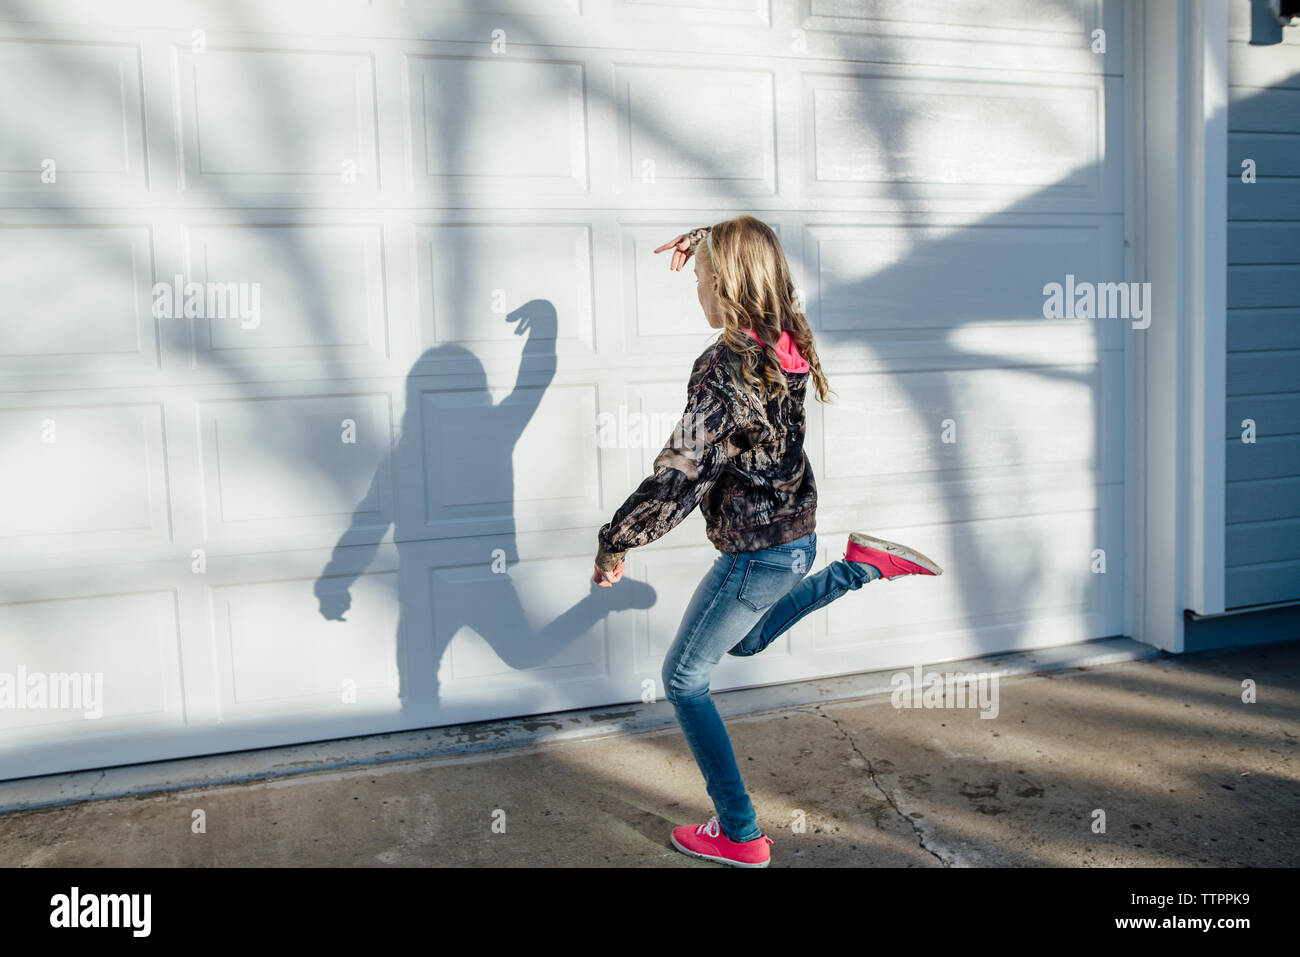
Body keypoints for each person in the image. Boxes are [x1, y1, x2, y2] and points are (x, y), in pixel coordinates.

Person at [590, 215, 943, 868]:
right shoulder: (784, 340)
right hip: (796, 543)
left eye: (699, 278)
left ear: (722, 281)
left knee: (683, 678)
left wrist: (617, 540)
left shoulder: (724, 365)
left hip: (755, 555)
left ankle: (740, 830)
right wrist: (708, 239)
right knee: (745, 640)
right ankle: (857, 568)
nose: (694, 288)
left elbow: (680, 475)